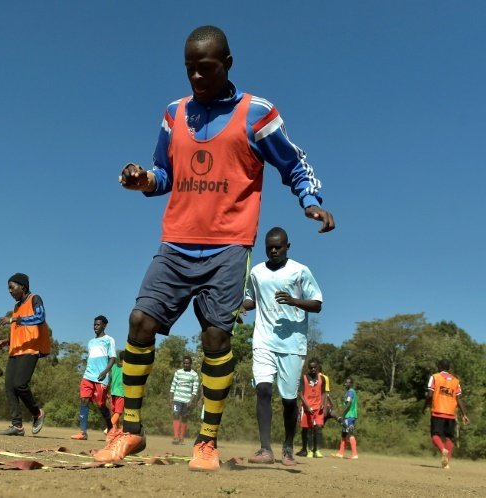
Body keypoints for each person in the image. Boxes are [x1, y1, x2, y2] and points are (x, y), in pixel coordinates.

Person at [93, 25, 335, 472]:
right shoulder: (174, 113)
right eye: (190, 70)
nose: (197, 78)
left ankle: (206, 441)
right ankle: (130, 430)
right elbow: (163, 173)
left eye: (206, 68)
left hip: (227, 246)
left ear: (228, 63)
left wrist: (311, 201)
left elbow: (293, 162)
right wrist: (143, 180)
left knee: (216, 337)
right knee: (139, 321)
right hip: (176, 242)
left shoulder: (255, 112)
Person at [242, 227, 323, 466]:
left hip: (292, 344)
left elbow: (317, 304)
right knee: (263, 390)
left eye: (278, 246)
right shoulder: (256, 272)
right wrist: (241, 308)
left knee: (288, 400)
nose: (274, 250)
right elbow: (251, 298)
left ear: (288, 246)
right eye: (269, 247)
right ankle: (265, 449)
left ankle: (288, 447)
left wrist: (294, 300)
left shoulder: (300, 271)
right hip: (263, 339)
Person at [0, 273, 50, 436]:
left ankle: (37, 413)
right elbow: (20, 330)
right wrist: (8, 340)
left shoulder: (35, 298)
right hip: (16, 350)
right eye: (8, 289)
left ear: (23, 287)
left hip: (30, 349)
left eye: (12, 288)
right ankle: (17, 426)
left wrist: (13, 320)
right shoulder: (17, 307)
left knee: (20, 384)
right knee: (9, 387)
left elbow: (40, 317)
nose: (10, 291)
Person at [71, 315, 116, 440]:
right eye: (94, 324)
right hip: (88, 375)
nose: (95, 327)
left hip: (101, 377)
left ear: (104, 325)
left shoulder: (109, 340)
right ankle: (83, 432)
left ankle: (111, 429)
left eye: (98, 324)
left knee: (101, 404)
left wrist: (105, 371)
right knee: (84, 400)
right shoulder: (91, 342)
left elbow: (113, 358)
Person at [424, 359, 470, 469]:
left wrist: (425, 406)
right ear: (449, 368)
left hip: (437, 411)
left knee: (435, 435)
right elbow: (459, 399)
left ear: (439, 367)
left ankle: (442, 450)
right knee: (450, 438)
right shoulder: (456, 381)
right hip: (450, 414)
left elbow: (430, 395)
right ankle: (446, 464)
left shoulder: (434, 377)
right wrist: (464, 414)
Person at [296, 358, 332, 458]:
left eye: (314, 367)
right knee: (307, 429)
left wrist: (323, 405)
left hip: (318, 408)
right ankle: (309, 450)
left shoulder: (323, 379)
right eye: (311, 368)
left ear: (318, 367)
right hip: (307, 407)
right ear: (308, 368)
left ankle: (317, 450)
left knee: (318, 428)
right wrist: (306, 406)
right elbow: (300, 394)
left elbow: (324, 393)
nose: (313, 369)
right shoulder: (304, 378)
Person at [170, 356, 201, 445]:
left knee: (184, 418)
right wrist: (171, 398)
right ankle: (176, 437)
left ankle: (181, 438)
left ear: (190, 364)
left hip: (187, 400)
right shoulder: (178, 372)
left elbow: (195, 389)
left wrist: (191, 400)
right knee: (176, 414)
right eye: (184, 363)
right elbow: (173, 385)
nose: (185, 364)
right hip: (177, 398)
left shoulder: (194, 374)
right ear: (182, 363)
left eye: (187, 363)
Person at [333, 377, 359, 459]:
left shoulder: (350, 392)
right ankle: (340, 453)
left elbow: (348, 403)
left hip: (349, 415)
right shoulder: (350, 392)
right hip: (349, 416)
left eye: (348, 382)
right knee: (344, 433)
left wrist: (342, 413)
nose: (346, 384)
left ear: (351, 384)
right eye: (345, 382)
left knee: (350, 433)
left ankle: (354, 454)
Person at [108, 351, 125, 435]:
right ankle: (110, 427)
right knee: (118, 412)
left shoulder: (113, 366)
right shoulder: (126, 368)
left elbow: (110, 379)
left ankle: (116, 431)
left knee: (115, 413)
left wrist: (107, 391)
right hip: (121, 393)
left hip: (113, 392)